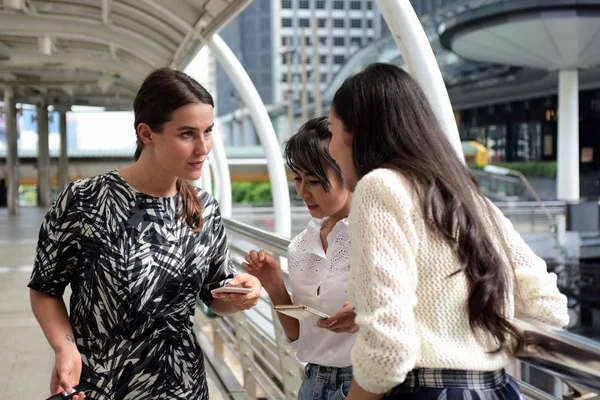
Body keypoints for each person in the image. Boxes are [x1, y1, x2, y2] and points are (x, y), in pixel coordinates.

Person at [326, 63, 570, 400]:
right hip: (498, 390)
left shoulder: (381, 187)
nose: (329, 147)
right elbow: (549, 308)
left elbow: (387, 351)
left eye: (332, 129)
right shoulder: (467, 196)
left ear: (359, 132)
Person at [28, 67, 262, 400]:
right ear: (146, 134)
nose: (203, 147)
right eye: (187, 134)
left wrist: (244, 295)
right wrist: (64, 348)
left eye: (208, 131)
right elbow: (44, 289)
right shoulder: (84, 200)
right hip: (100, 385)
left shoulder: (204, 210)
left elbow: (215, 298)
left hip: (182, 385)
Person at [242, 117, 357, 400]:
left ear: (349, 171)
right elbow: (299, 336)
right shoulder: (301, 245)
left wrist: (368, 313)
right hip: (312, 384)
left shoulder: (376, 235)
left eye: (315, 181)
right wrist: (274, 286)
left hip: (364, 383)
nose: (303, 191)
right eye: (297, 178)